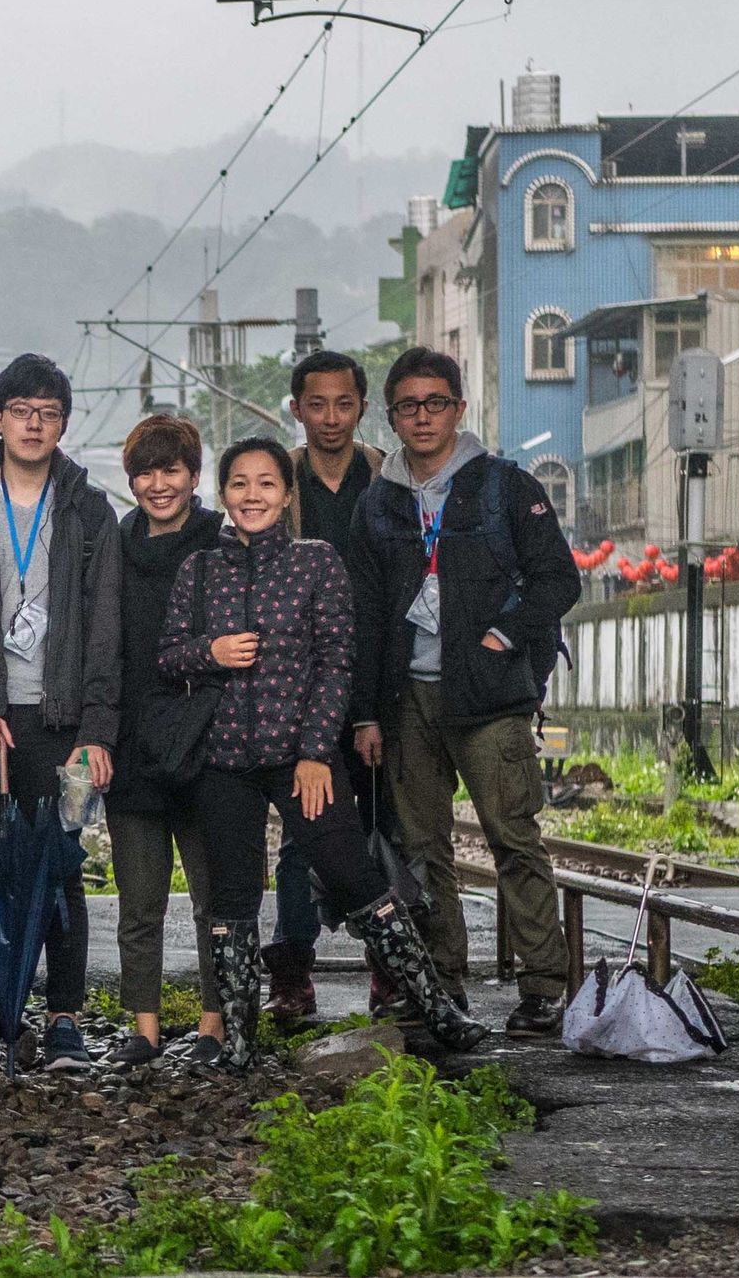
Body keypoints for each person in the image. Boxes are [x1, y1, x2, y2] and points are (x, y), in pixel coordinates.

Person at [160, 437, 486, 1070]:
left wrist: (315, 752)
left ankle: (436, 1009)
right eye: (239, 484)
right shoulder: (198, 570)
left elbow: (337, 661)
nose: (252, 495)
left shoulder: (317, 563)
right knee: (231, 899)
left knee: (354, 875)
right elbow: (167, 657)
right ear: (222, 495)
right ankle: (238, 1041)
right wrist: (212, 653)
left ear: (286, 495)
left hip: (299, 754)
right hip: (223, 760)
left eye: (266, 484)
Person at [349, 347, 579, 1039]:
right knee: (424, 850)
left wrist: (504, 636)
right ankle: (443, 983)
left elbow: (556, 580)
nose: (423, 417)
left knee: (514, 837)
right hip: (406, 701)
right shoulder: (379, 501)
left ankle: (544, 987)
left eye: (436, 403)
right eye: (408, 407)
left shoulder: (505, 487)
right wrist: (365, 711)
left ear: (460, 408)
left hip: (489, 698)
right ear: (391, 418)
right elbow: (363, 613)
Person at [0, 354, 120, 1072]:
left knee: (59, 866)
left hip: (60, 715)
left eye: (48, 413)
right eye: (21, 411)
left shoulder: (88, 508)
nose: (33, 424)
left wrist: (97, 729)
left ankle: (63, 1016)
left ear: (62, 425)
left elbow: (105, 629)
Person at [266, 350, 391, 1023]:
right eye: (318, 404)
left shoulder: (383, 478)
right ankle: (292, 971)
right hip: (296, 684)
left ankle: (386, 964)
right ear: (298, 408)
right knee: (298, 833)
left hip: (372, 675)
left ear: (362, 408)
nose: (331, 418)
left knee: (375, 827)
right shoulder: (278, 480)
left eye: (344, 404)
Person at [104, 415, 224, 1067]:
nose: (158, 484)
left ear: (194, 475)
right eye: (145, 472)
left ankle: (214, 1023)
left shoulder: (222, 543)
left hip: (207, 742)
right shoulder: (116, 546)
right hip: (132, 746)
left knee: (215, 898)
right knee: (139, 899)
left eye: (170, 470)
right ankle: (142, 1028)